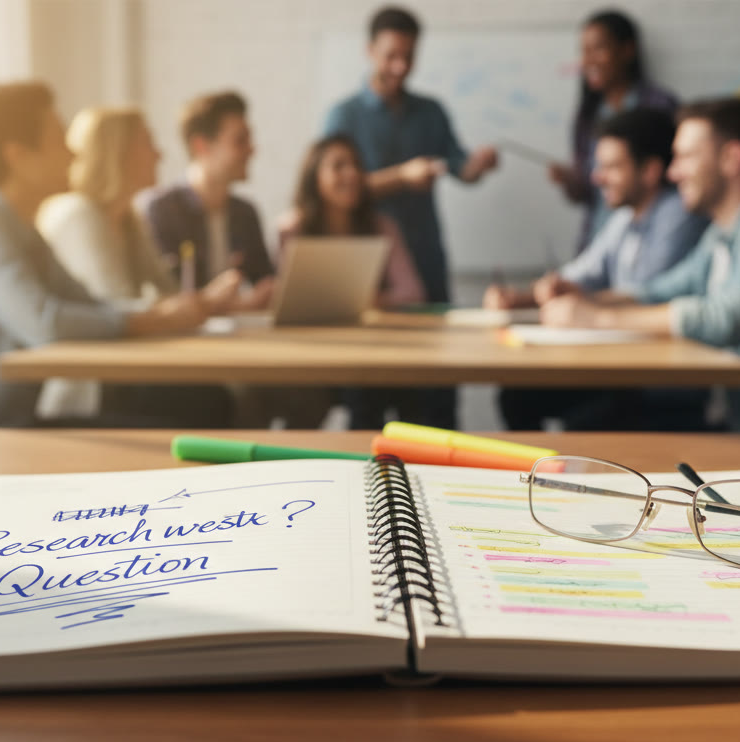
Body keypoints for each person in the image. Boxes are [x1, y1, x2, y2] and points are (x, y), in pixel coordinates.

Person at [0, 82, 226, 428]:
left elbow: (89, 305)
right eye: (58, 140)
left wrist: (161, 312)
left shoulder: (22, 229)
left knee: (199, 405)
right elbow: (44, 323)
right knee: (186, 418)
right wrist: (155, 319)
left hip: (7, 421)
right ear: (17, 155)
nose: (73, 154)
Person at [539, 98, 740, 432]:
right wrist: (585, 297)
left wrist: (597, 319)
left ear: (732, 159)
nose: (672, 172)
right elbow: (662, 290)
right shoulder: (722, 231)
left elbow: (727, 318)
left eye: (686, 157)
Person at [323, 6, 499, 429]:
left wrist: (475, 167)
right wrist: (402, 177)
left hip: (424, 263)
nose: (400, 67)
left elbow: (459, 167)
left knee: (435, 399)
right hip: (367, 270)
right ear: (370, 51)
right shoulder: (343, 115)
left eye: (409, 56)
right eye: (390, 56)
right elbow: (331, 186)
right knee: (367, 401)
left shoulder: (431, 111)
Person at [485, 107, 708, 431]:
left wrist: (586, 304)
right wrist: (524, 297)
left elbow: (646, 296)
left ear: (650, 171)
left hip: (655, 377)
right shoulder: (623, 217)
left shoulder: (677, 214)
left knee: (584, 420)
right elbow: (580, 277)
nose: (596, 177)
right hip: (618, 367)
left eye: (612, 167)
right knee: (517, 396)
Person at [35, 107, 239, 423]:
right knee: (209, 400)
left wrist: (204, 302)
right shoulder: (77, 214)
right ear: (119, 151)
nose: (159, 154)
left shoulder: (129, 219)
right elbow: (113, 308)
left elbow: (169, 294)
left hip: (124, 369)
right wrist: (196, 304)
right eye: (148, 144)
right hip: (91, 386)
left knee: (216, 396)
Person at [278, 133, 426, 429]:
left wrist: (374, 300)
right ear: (315, 177)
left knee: (380, 393)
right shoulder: (291, 230)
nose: (352, 174)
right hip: (308, 355)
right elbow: (280, 300)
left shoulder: (382, 226)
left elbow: (413, 292)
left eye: (356, 165)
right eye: (338, 166)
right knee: (301, 400)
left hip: (370, 352)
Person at [549, 10, 678, 252]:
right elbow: (589, 190)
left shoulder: (660, 106)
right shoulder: (587, 114)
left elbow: (674, 179)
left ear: (628, 50)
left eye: (598, 49)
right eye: (584, 51)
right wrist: (571, 182)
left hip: (647, 241)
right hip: (597, 238)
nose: (588, 61)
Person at [141, 91, 275, 312]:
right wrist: (232, 305)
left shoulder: (246, 213)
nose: (252, 150)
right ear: (201, 145)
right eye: (240, 140)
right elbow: (167, 297)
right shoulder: (161, 209)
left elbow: (266, 284)